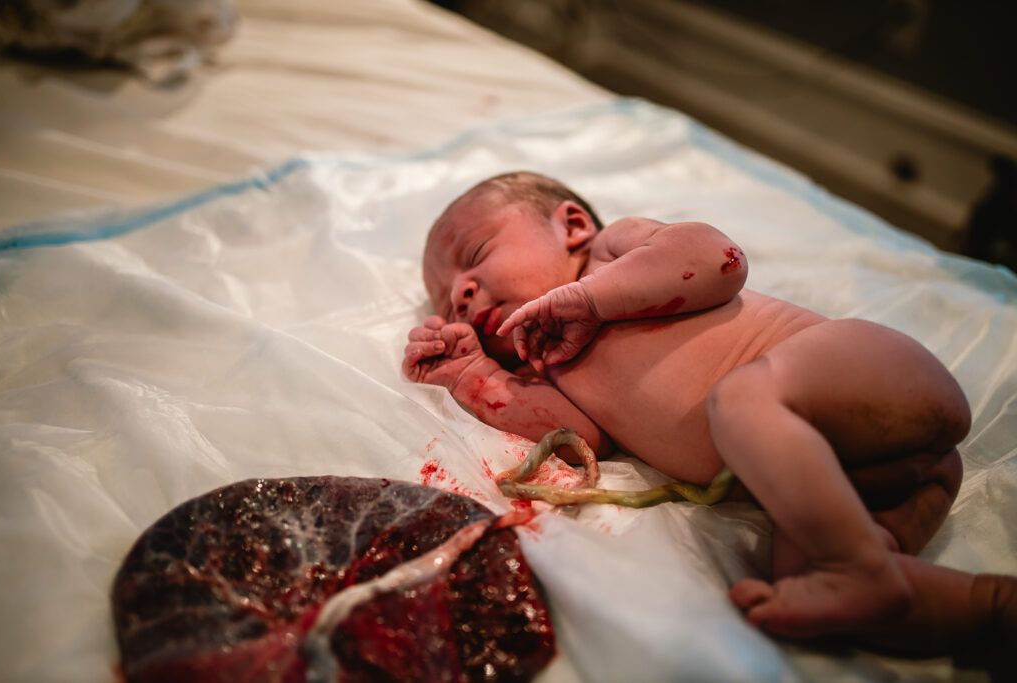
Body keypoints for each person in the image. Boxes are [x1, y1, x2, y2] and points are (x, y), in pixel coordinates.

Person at [402, 171, 1017, 654]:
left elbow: (718, 257)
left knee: (742, 398)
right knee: (799, 594)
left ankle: (851, 567)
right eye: (447, 302)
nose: (460, 292)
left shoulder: (613, 256)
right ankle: (984, 605)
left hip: (873, 372)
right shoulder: (547, 364)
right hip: (856, 478)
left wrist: (592, 298)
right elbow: (579, 437)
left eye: (476, 253)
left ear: (573, 225)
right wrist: (473, 375)